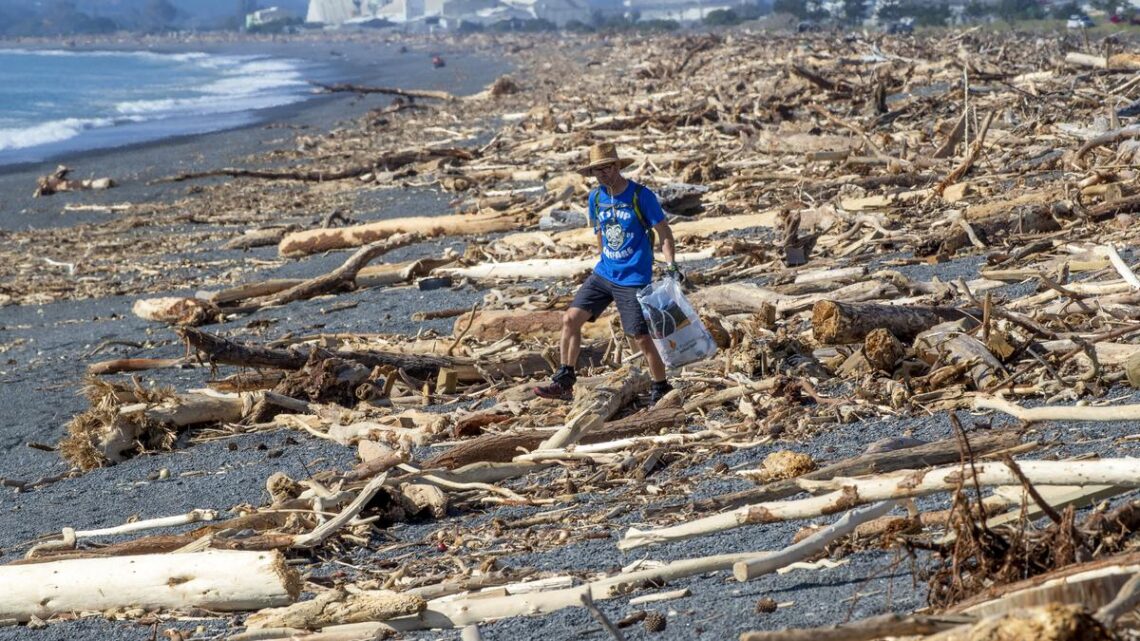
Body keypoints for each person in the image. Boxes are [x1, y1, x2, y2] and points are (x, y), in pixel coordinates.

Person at [534, 142, 683, 404]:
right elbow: (601, 232)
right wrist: (604, 259)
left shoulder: (640, 196)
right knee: (570, 319)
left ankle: (661, 387)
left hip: (633, 279)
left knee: (640, 337)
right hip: (604, 274)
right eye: (596, 170)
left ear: (617, 166)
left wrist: (671, 266)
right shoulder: (596, 198)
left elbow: (664, 233)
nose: (602, 174)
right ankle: (564, 379)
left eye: (606, 168)